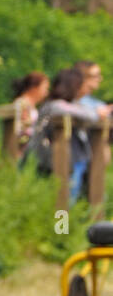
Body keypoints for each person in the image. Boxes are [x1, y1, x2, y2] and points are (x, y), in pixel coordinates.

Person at [25, 67, 101, 200]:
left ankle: (62, 220)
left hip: (63, 160)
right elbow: (89, 115)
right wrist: (96, 113)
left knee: (65, 198)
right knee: (61, 200)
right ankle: (61, 221)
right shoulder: (55, 105)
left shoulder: (65, 104)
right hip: (49, 160)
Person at [10, 71, 48, 152]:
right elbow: (23, 126)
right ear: (34, 88)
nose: (46, 93)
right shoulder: (22, 103)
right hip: (21, 147)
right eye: (44, 88)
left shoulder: (29, 104)